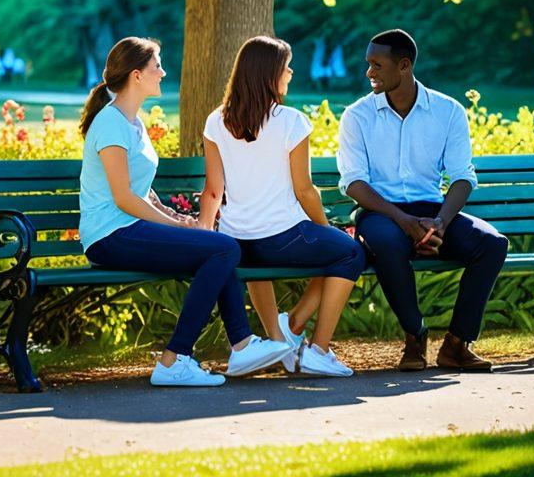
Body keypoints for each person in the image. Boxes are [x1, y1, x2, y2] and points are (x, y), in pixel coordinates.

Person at [79, 36, 291, 387]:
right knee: (223, 247)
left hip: (128, 230)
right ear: (136, 75)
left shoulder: (132, 123)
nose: (162, 73)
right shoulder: (110, 124)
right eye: (156, 66)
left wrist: (179, 219)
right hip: (110, 235)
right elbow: (123, 198)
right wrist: (177, 227)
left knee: (216, 247)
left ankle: (240, 345)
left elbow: (142, 190)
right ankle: (177, 358)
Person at [338, 29, 508, 372]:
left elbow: (462, 177)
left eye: (376, 64)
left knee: (492, 244)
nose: (368, 72)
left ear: (403, 66)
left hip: (433, 214)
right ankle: (415, 336)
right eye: (368, 64)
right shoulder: (357, 116)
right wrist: (403, 221)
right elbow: (354, 183)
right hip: (381, 213)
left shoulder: (448, 112)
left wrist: (440, 223)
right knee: (387, 242)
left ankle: (457, 345)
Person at [200, 36, 366, 377]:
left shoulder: (216, 121)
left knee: (296, 255)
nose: (290, 72)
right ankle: (316, 348)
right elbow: (305, 190)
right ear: (269, 73)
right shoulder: (291, 120)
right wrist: (325, 227)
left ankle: (280, 340)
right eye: (285, 66)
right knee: (349, 252)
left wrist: (206, 236)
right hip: (283, 238)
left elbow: (214, 191)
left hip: (237, 242)